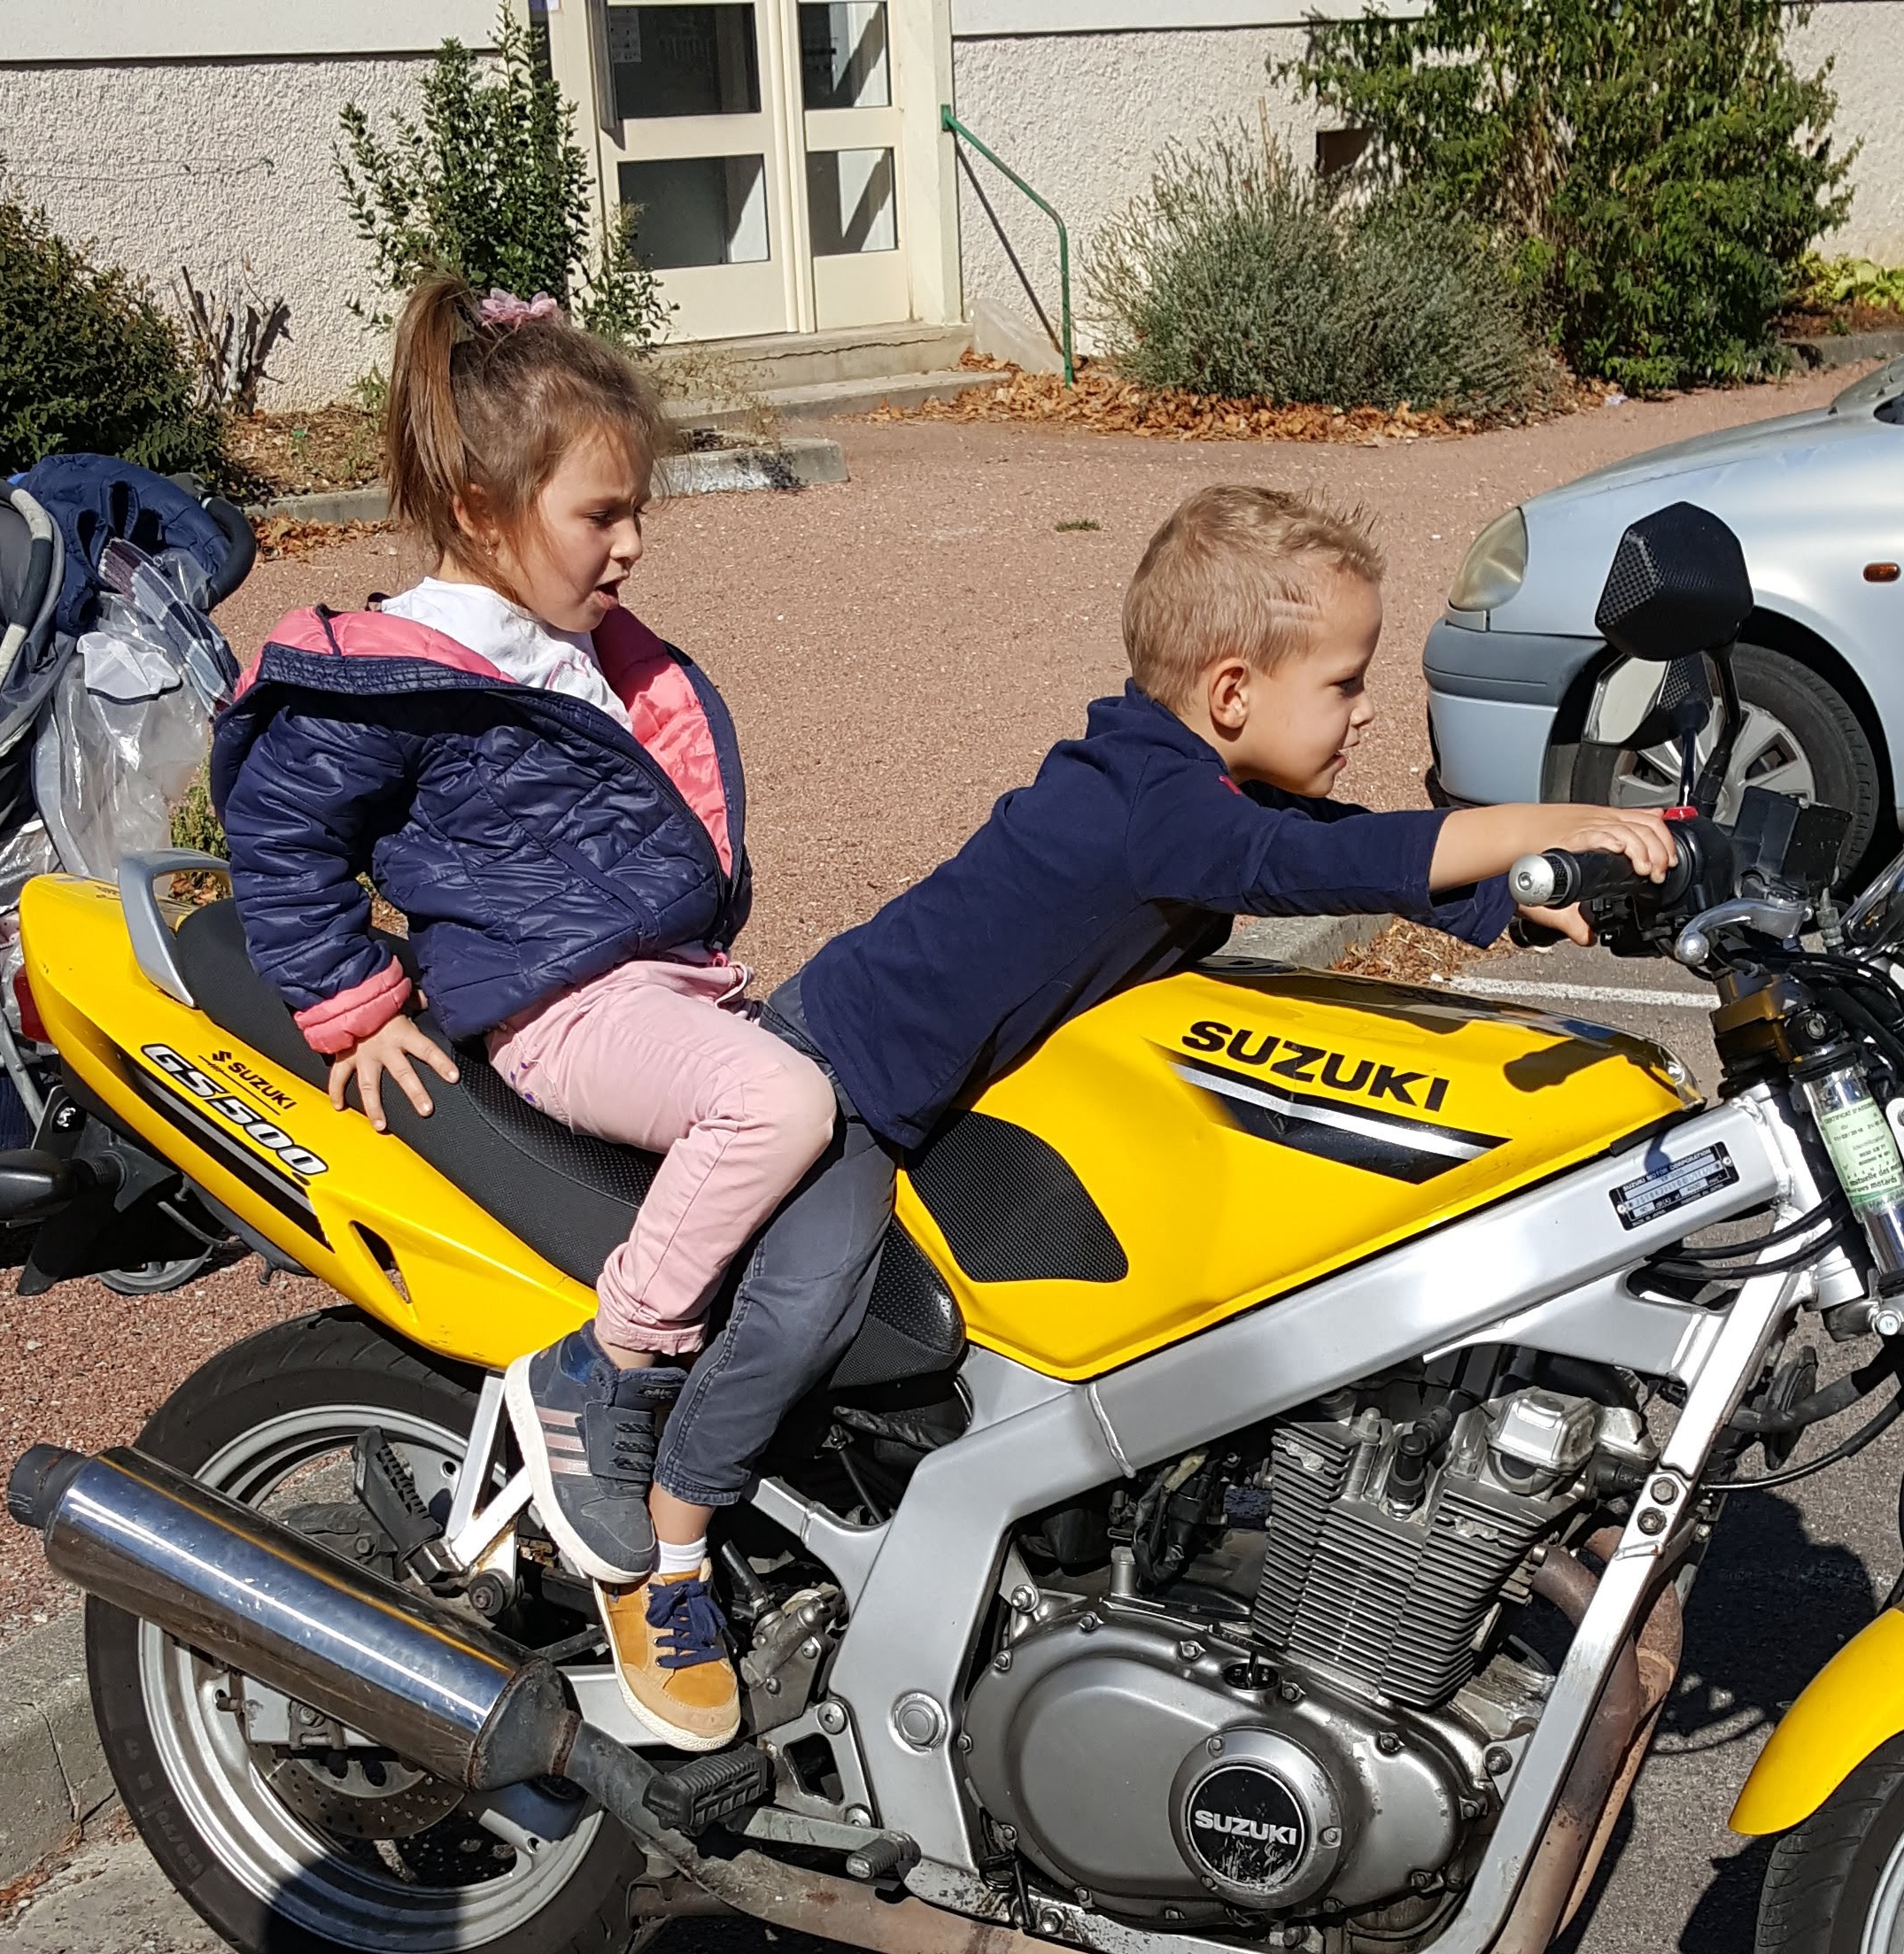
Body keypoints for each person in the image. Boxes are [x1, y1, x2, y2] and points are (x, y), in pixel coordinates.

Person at [641, 481, 1675, 1659]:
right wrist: (1538, 826)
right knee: (804, 1303)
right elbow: (1305, 864)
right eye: (1343, 683)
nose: (1366, 711)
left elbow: (1323, 842)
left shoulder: (1178, 775)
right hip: (846, 1075)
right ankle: (670, 1540)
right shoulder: (1159, 808)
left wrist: (1510, 906)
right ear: (1232, 693)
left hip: (951, 1080)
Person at [211, 274, 833, 1756]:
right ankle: (607, 1364)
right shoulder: (407, 670)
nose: (632, 545)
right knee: (780, 1105)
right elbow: (280, 832)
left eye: (637, 514)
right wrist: (354, 1003)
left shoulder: (562, 642)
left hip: (656, 982)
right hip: (558, 1011)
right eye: (600, 515)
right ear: (480, 510)